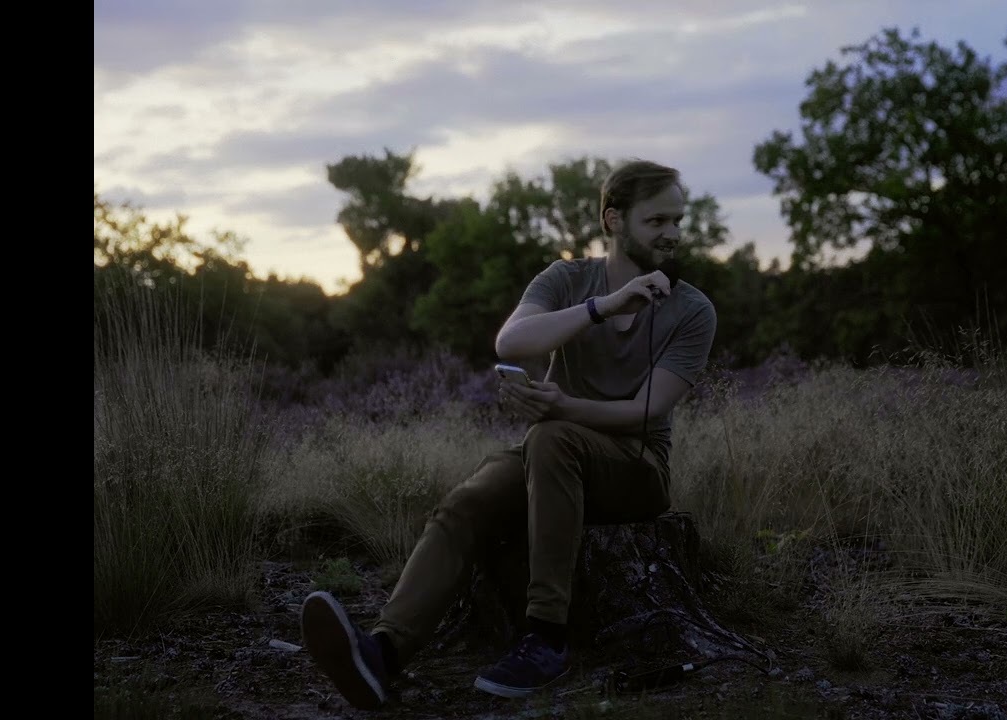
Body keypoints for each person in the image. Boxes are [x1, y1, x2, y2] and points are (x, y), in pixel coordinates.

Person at [299, 159, 718, 710]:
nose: (672, 234)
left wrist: (561, 405)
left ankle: (546, 637)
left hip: (637, 468)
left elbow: (647, 410)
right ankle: (382, 654)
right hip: (553, 459)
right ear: (613, 220)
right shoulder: (567, 279)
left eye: (677, 221)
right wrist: (602, 307)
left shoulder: (692, 310)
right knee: (468, 501)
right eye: (657, 220)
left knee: (550, 438)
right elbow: (512, 342)